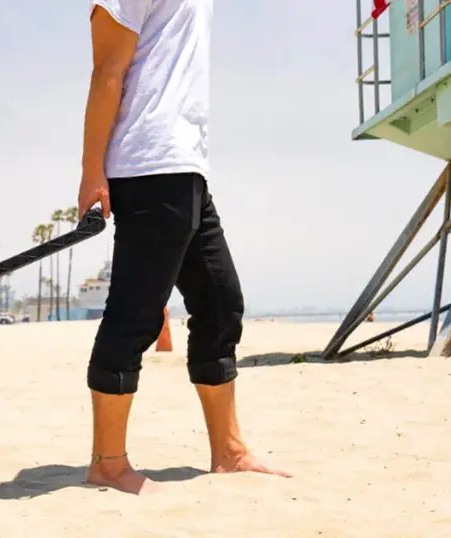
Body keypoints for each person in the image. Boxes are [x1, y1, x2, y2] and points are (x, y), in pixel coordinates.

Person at [77, 0, 291, 494]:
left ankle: (230, 452)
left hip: (186, 165)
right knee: (135, 314)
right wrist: (92, 171)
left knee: (220, 303)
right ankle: (108, 464)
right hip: (149, 163)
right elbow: (107, 70)